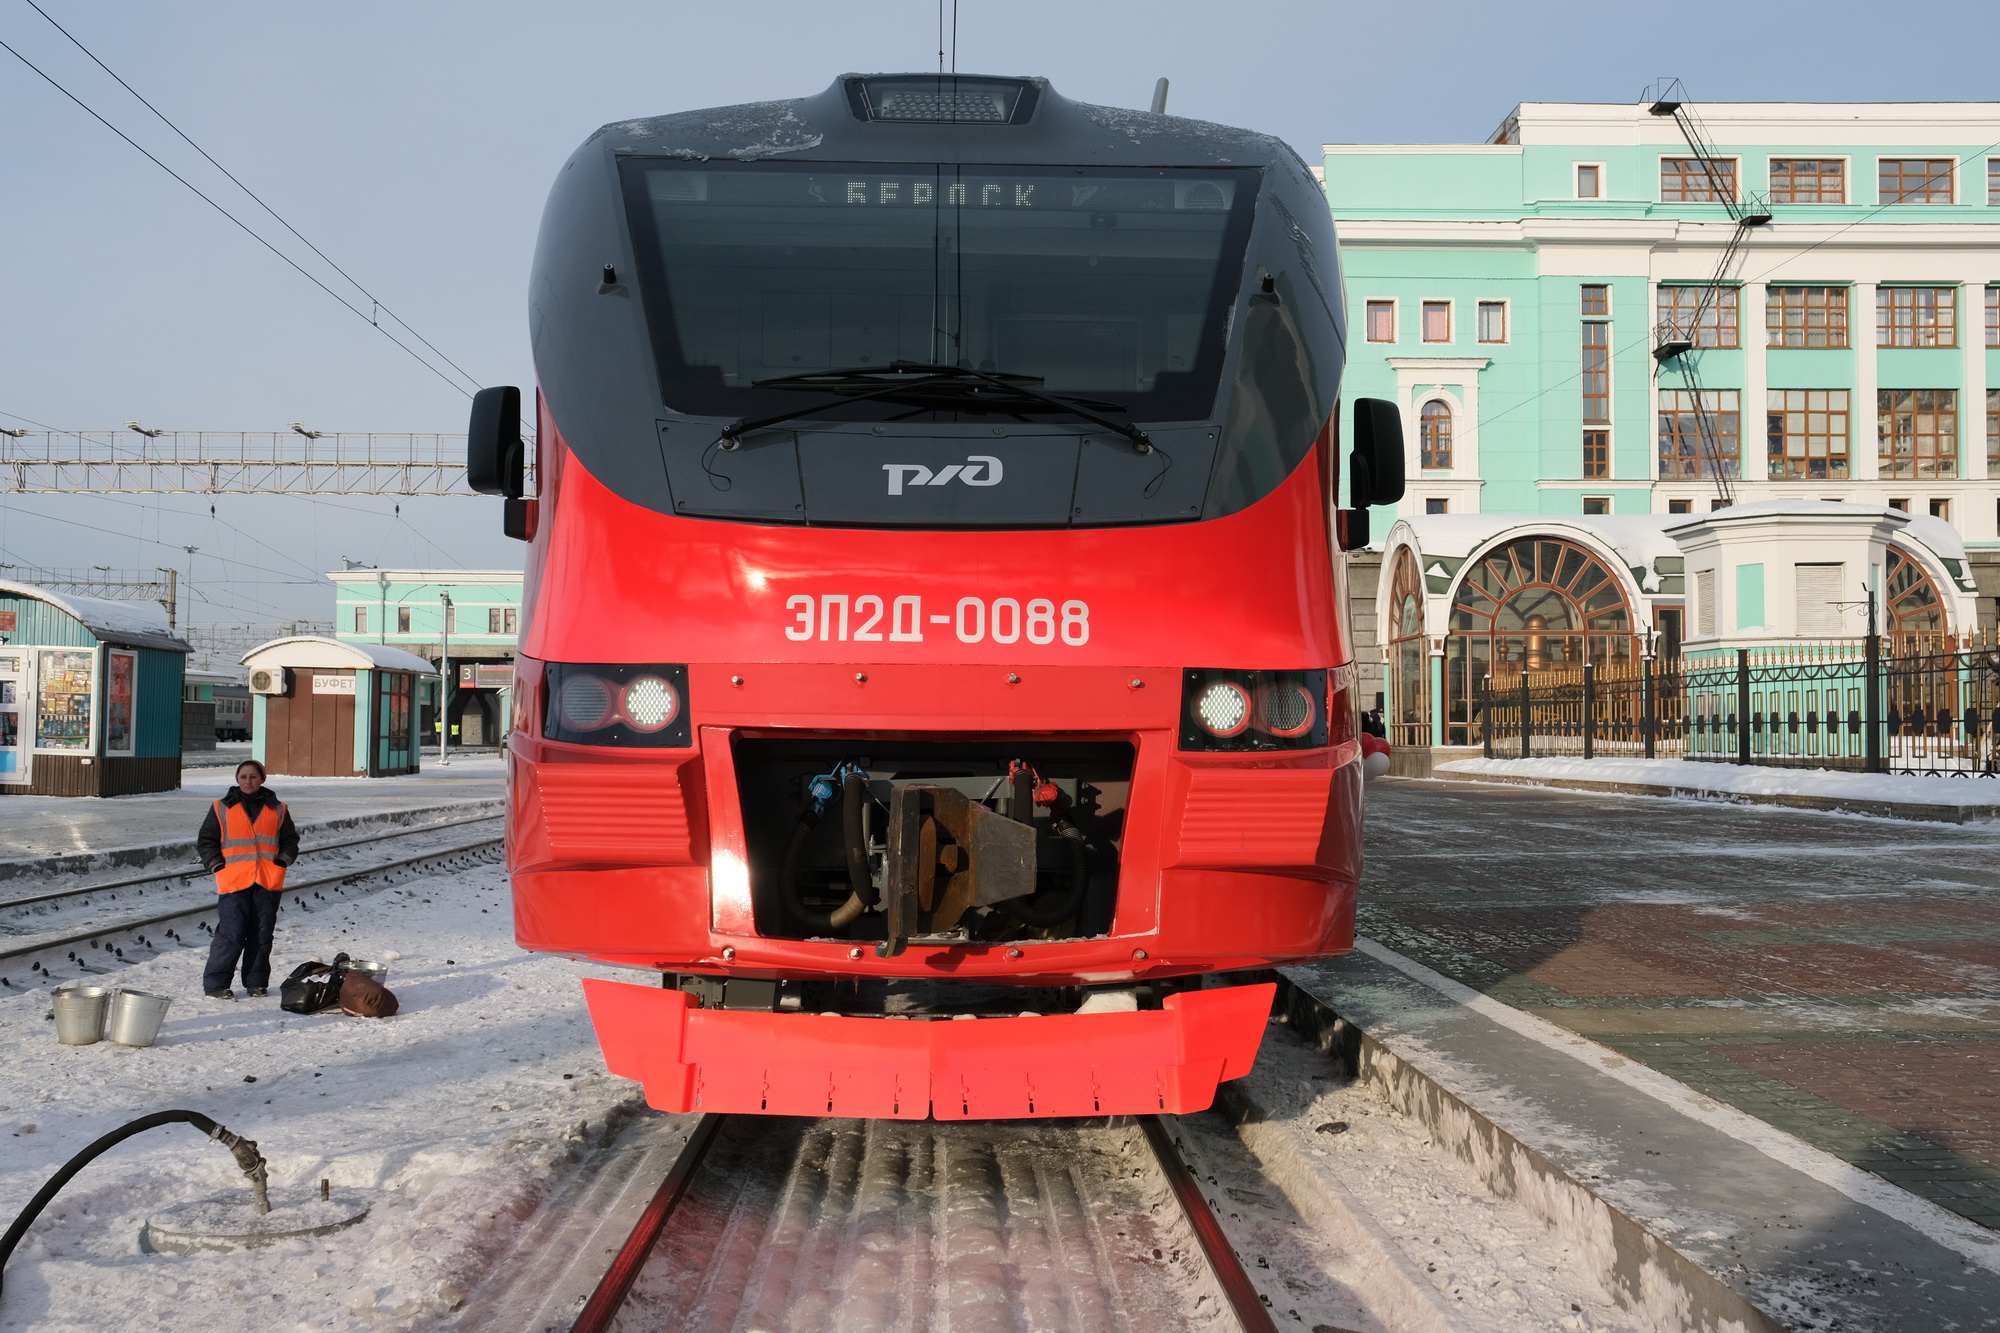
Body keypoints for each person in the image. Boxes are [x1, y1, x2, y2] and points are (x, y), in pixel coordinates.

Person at [196, 759, 299, 999]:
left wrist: (282, 860)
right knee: (231, 933)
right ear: (237, 779)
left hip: (267, 880)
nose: (248, 781)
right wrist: (216, 864)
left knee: (262, 934)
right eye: (243, 777)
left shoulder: (279, 809)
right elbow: (206, 840)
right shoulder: (221, 807)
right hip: (233, 881)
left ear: (262, 779)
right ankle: (216, 985)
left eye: (253, 777)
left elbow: (290, 839)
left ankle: (256, 982)